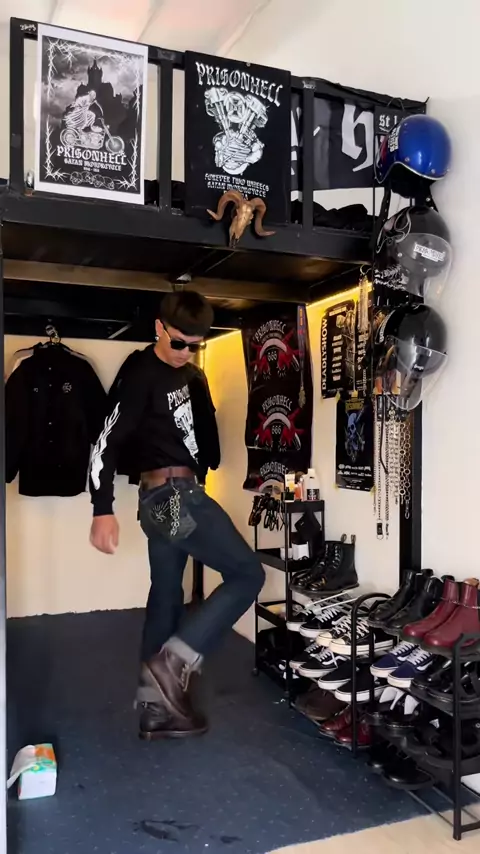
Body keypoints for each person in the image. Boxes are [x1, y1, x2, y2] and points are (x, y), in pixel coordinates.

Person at [89, 291, 265, 740]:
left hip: (172, 496)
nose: (185, 352)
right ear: (158, 328)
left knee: (167, 594)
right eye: (178, 342)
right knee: (248, 574)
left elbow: (205, 442)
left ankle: (156, 709)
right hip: (169, 497)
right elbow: (105, 442)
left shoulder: (192, 376)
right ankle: (173, 663)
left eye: (194, 345)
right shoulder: (140, 374)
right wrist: (102, 508)